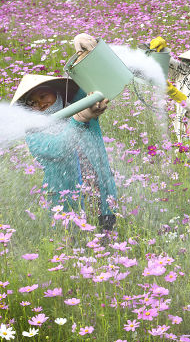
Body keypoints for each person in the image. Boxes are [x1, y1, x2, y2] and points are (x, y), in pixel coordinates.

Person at [11, 72, 117, 233]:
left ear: (56, 92)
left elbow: (95, 81)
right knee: (76, 247)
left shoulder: (80, 105)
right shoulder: (34, 134)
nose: (40, 104)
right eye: (32, 102)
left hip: (101, 192)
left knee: (107, 239)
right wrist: (79, 120)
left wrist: (84, 53)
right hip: (67, 204)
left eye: (43, 95)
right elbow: (58, 148)